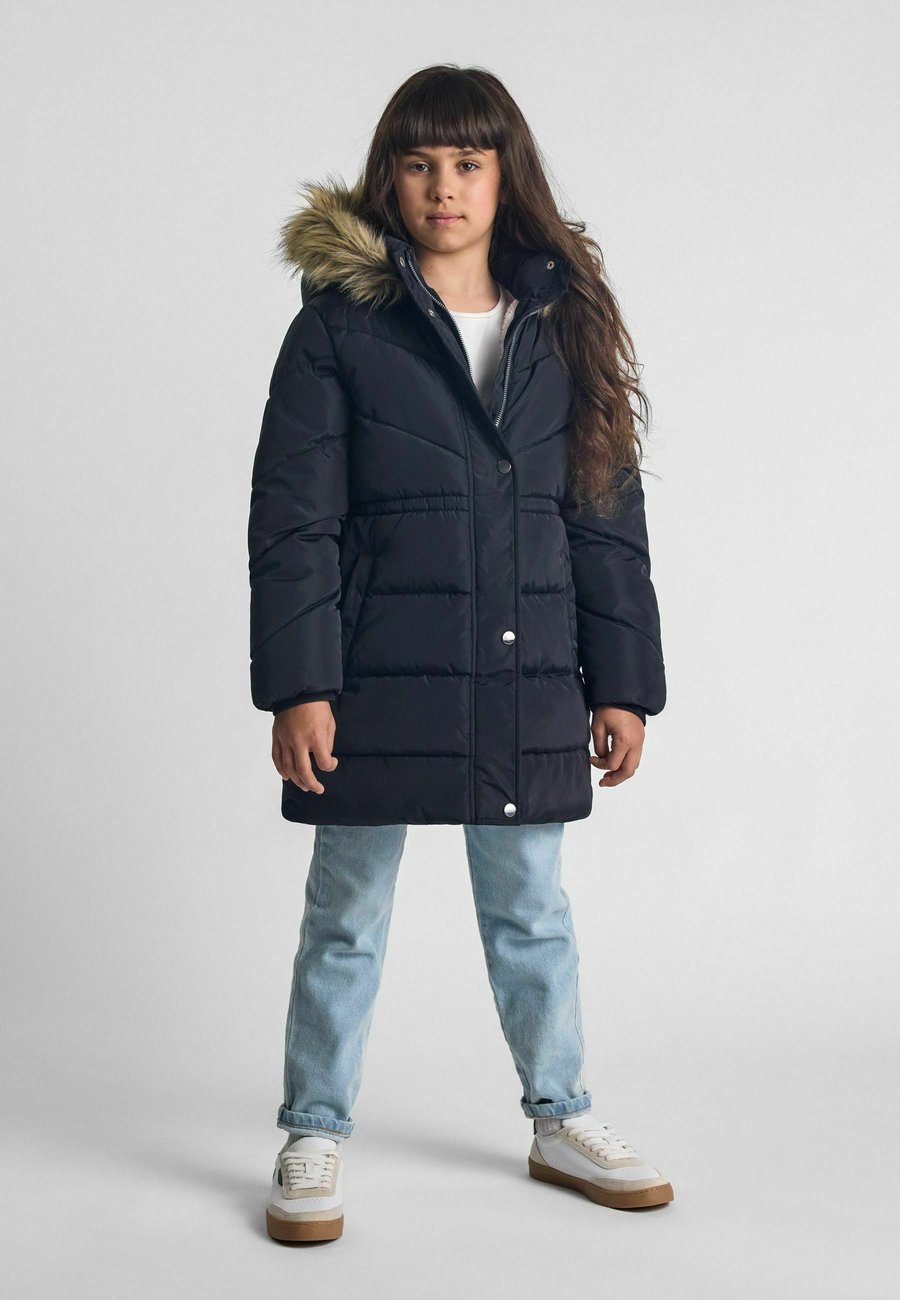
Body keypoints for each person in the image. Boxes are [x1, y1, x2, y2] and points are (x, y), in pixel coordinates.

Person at [247, 64, 671, 1244]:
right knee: (346, 910)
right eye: (421, 163)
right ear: (390, 177)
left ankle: (560, 1115)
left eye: (469, 163)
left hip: (526, 669)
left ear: (503, 175)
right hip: (375, 671)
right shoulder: (339, 327)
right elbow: (294, 519)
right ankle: (313, 1126)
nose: (445, 186)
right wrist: (301, 683)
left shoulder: (560, 323)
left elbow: (603, 511)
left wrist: (623, 683)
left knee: (531, 906)